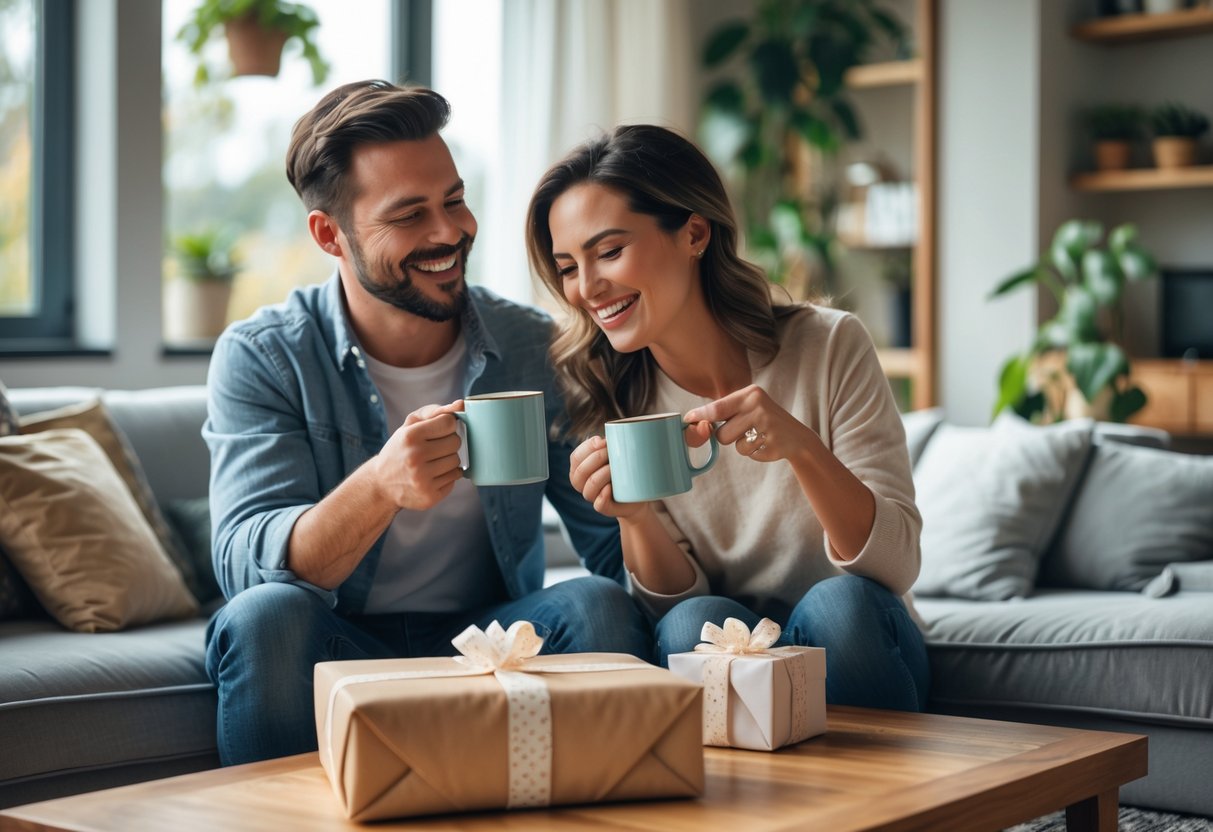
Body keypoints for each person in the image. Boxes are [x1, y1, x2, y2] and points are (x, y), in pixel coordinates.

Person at [203, 81, 650, 766]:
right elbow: (247, 564)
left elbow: (611, 554)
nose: (448, 232)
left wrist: (646, 506)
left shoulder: (531, 346)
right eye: (409, 215)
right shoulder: (265, 357)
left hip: (491, 639)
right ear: (331, 235)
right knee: (263, 618)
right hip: (339, 637)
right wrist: (379, 486)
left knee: (593, 604)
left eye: (453, 200)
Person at [524, 124, 929, 711]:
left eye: (609, 252)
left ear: (694, 233)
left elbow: (896, 566)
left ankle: (892, 800)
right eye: (567, 267)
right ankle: (758, 800)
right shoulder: (609, 391)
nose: (587, 288)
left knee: (838, 607)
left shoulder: (829, 345)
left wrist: (803, 448)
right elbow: (670, 610)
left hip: (862, 635)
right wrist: (636, 519)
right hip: (731, 639)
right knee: (694, 626)